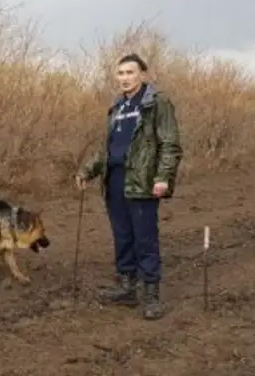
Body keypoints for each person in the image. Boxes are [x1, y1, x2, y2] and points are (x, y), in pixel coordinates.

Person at [76, 52, 182, 320]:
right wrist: (88, 171)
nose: (124, 78)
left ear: (142, 75)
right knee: (122, 236)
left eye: (130, 72)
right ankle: (126, 286)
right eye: (121, 73)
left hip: (143, 181)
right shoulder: (118, 107)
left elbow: (170, 144)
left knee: (144, 238)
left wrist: (163, 177)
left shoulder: (157, 103)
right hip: (114, 181)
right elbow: (109, 148)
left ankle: (151, 295)